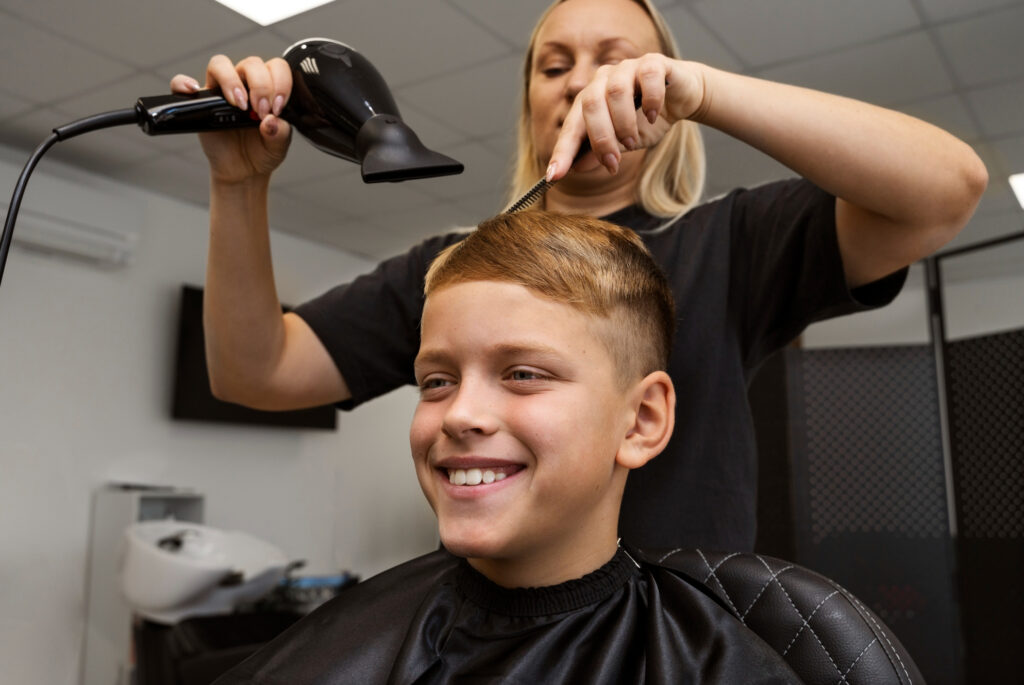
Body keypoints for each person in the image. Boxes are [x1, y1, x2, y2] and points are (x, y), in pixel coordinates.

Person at [170, 0, 987, 551]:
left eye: (616, 60)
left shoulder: (730, 243)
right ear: (530, 100)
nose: (582, 81)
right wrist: (238, 185)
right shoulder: (458, 272)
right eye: (553, 65)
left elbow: (946, 190)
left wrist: (705, 90)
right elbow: (255, 371)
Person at [213, 211, 802, 684]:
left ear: (640, 422)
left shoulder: (713, 662)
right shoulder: (343, 649)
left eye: (522, 374)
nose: (460, 414)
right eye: (436, 382)